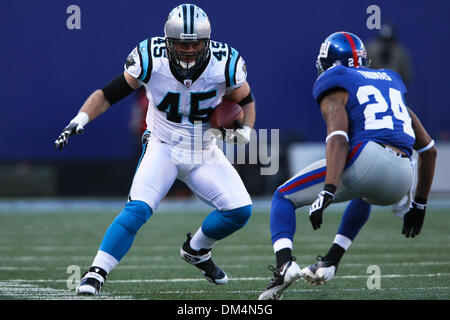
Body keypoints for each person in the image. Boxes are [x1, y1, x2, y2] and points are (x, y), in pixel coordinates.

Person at [54, 3, 256, 295]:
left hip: (204, 151)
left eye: (195, 44)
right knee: (137, 210)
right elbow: (109, 94)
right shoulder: (151, 57)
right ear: (167, 42)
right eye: (181, 44)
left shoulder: (225, 63)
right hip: (163, 146)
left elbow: (247, 100)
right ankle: (96, 273)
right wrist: (80, 118)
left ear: (207, 42)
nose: (188, 51)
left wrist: (246, 130)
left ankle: (197, 249)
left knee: (240, 211)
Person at [258, 31, 437, 300]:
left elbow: (338, 138)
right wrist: (420, 204)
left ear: (329, 64)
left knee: (283, 196)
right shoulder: (389, 81)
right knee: (363, 194)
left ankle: (284, 265)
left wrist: (328, 189)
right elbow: (429, 150)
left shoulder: (335, 82)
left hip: (368, 159)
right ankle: (330, 261)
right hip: (403, 177)